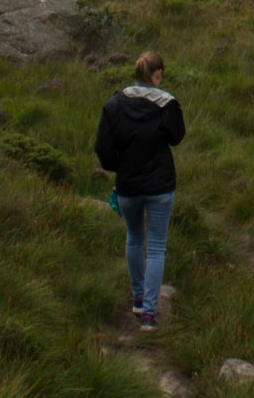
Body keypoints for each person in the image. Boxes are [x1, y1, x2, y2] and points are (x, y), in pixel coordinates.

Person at [95, 51, 186, 329]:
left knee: (134, 238)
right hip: (160, 185)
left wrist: (117, 167)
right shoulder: (166, 104)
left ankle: (136, 299)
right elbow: (177, 137)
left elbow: (103, 148)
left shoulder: (114, 104)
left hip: (128, 185)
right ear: (156, 75)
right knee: (156, 247)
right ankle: (149, 314)